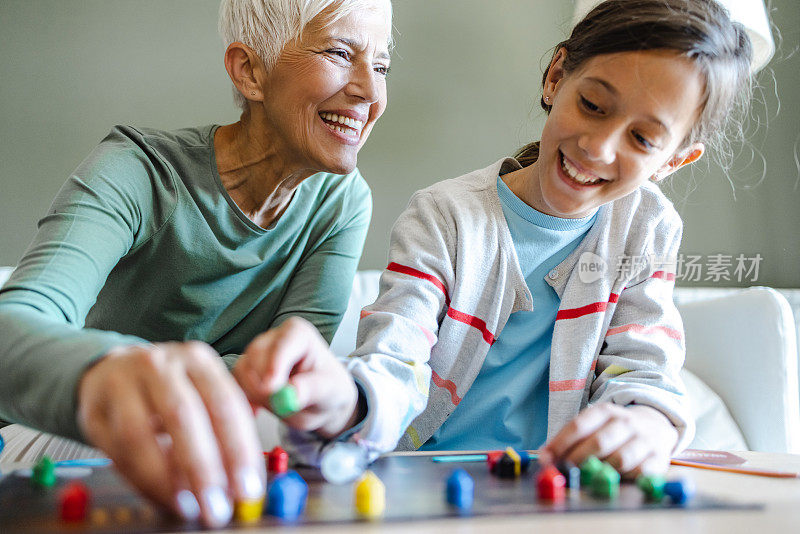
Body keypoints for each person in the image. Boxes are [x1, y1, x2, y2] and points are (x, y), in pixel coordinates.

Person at [235, 0, 753, 476]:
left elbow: (642, 368)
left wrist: (649, 424)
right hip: (427, 482)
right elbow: (396, 357)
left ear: (674, 161)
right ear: (555, 77)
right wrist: (348, 399)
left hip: (560, 492)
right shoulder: (445, 216)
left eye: (642, 139)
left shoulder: (648, 229)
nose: (597, 148)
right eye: (593, 105)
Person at [0, 0, 391, 527]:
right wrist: (112, 373)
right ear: (250, 71)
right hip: (54, 437)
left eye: (382, 65)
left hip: (213, 436)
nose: (370, 91)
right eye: (340, 52)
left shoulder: (341, 201)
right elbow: (9, 331)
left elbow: (286, 381)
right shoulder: (138, 170)